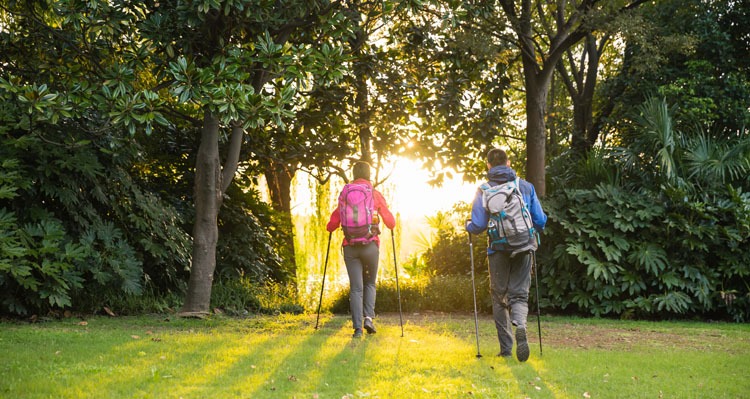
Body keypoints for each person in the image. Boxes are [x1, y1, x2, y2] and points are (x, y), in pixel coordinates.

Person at [465, 148, 547, 361]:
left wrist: (468, 226)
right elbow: (540, 221)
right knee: (519, 294)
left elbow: (479, 224)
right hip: (524, 245)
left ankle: (506, 349)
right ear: (509, 163)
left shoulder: (484, 190)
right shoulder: (525, 187)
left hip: (498, 249)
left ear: (488, 165)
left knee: (499, 296)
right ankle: (520, 324)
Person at [327, 161, 396, 338]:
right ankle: (368, 319)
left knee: (356, 288)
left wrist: (330, 227)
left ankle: (357, 329)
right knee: (370, 283)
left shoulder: (345, 194)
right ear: (369, 175)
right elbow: (390, 222)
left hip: (350, 247)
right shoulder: (374, 194)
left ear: (354, 174)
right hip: (370, 246)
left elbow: (333, 222)